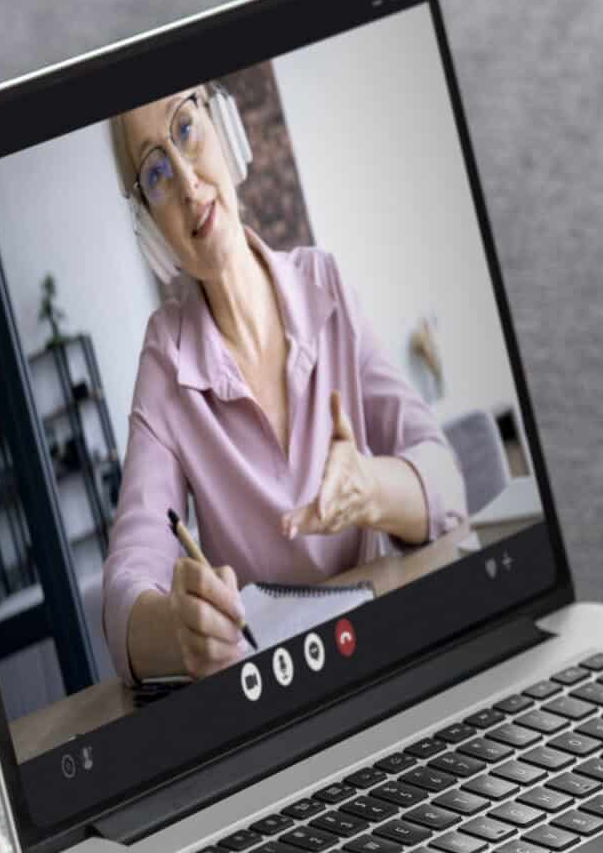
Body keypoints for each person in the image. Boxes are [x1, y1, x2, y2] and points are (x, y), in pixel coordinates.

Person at [99, 83, 466, 681]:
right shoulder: (166, 359)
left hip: (395, 657)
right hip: (278, 695)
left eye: (186, 128)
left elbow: (446, 478)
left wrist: (369, 488)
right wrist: (175, 629)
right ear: (150, 225)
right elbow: (125, 588)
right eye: (156, 173)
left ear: (226, 128)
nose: (189, 184)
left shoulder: (324, 283)